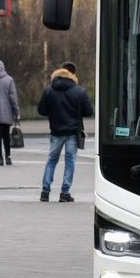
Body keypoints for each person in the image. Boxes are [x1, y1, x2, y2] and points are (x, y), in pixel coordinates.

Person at [37, 61, 93, 202]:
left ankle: (45, 191)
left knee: (51, 160)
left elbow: (41, 110)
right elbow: (88, 112)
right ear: (73, 74)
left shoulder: (49, 90)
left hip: (56, 131)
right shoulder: (79, 91)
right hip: (73, 132)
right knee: (70, 162)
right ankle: (64, 193)